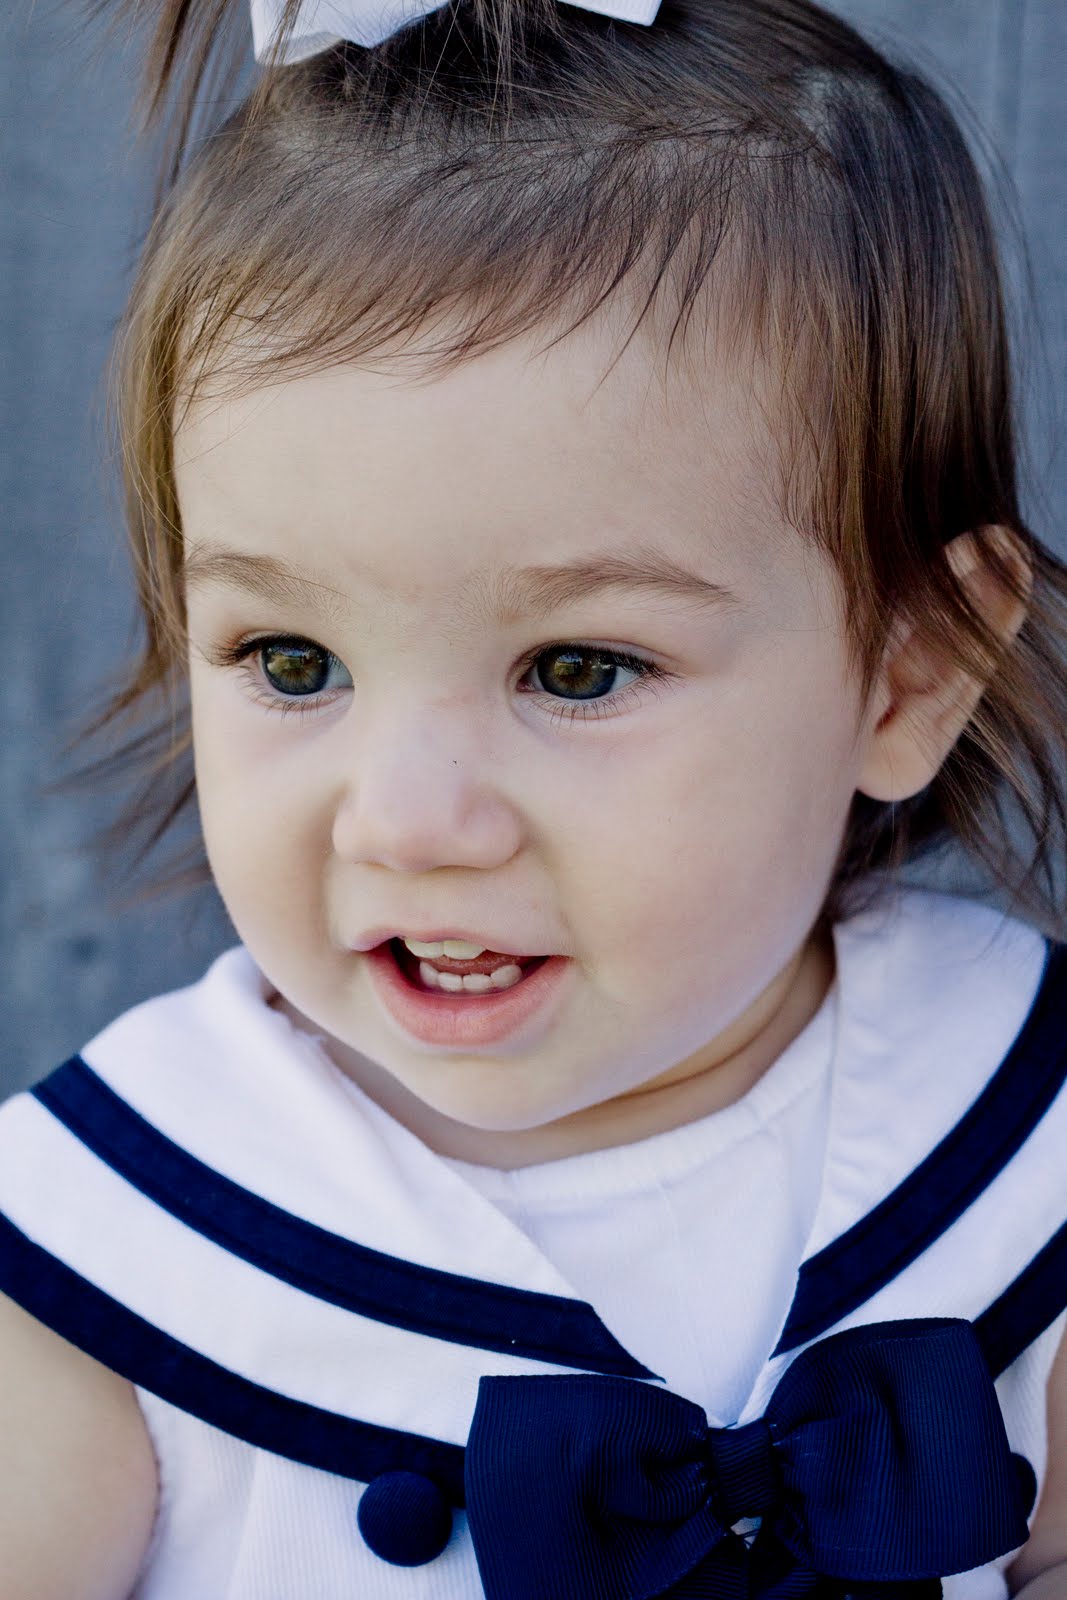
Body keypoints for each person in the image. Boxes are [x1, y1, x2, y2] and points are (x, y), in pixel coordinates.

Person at [2, 0, 1066, 1593]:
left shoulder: (1019, 1136)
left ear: (908, 676)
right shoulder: (112, 1252)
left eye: (576, 671)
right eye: (293, 661)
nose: (409, 821)